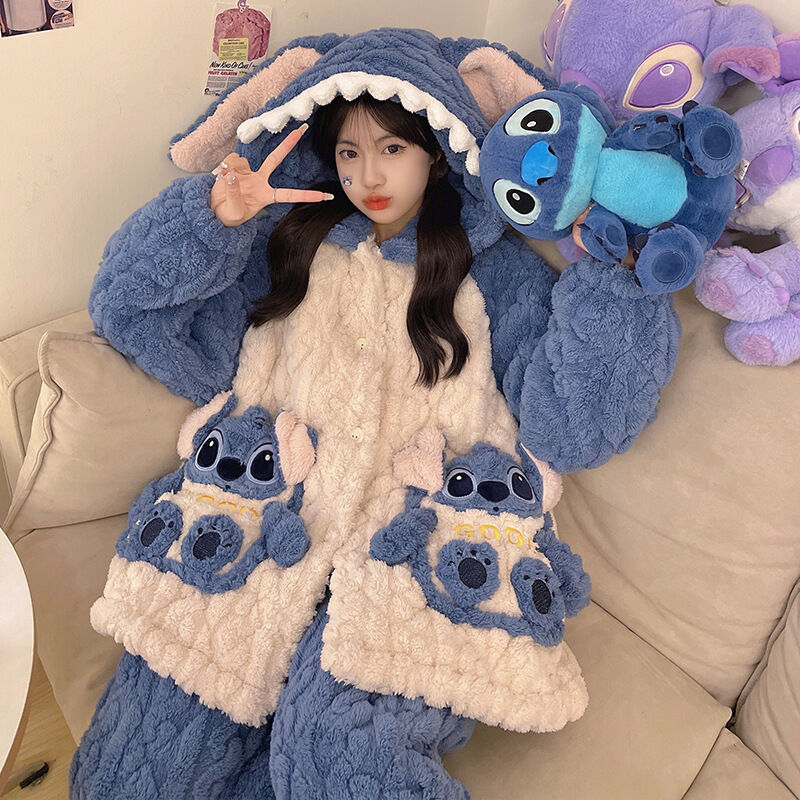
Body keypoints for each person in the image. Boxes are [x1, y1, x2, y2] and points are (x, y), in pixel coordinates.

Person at [70, 28, 680, 799]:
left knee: (334, 753)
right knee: (129, 773)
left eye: (392, 148)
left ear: (438, 150)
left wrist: (620, 285)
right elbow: (130, 311)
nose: (369, 175)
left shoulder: (494, 273)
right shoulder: (284, 251)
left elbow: (575, 424)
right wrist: (212, 219)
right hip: (256, 543)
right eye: (350, 152)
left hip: (414, 562)